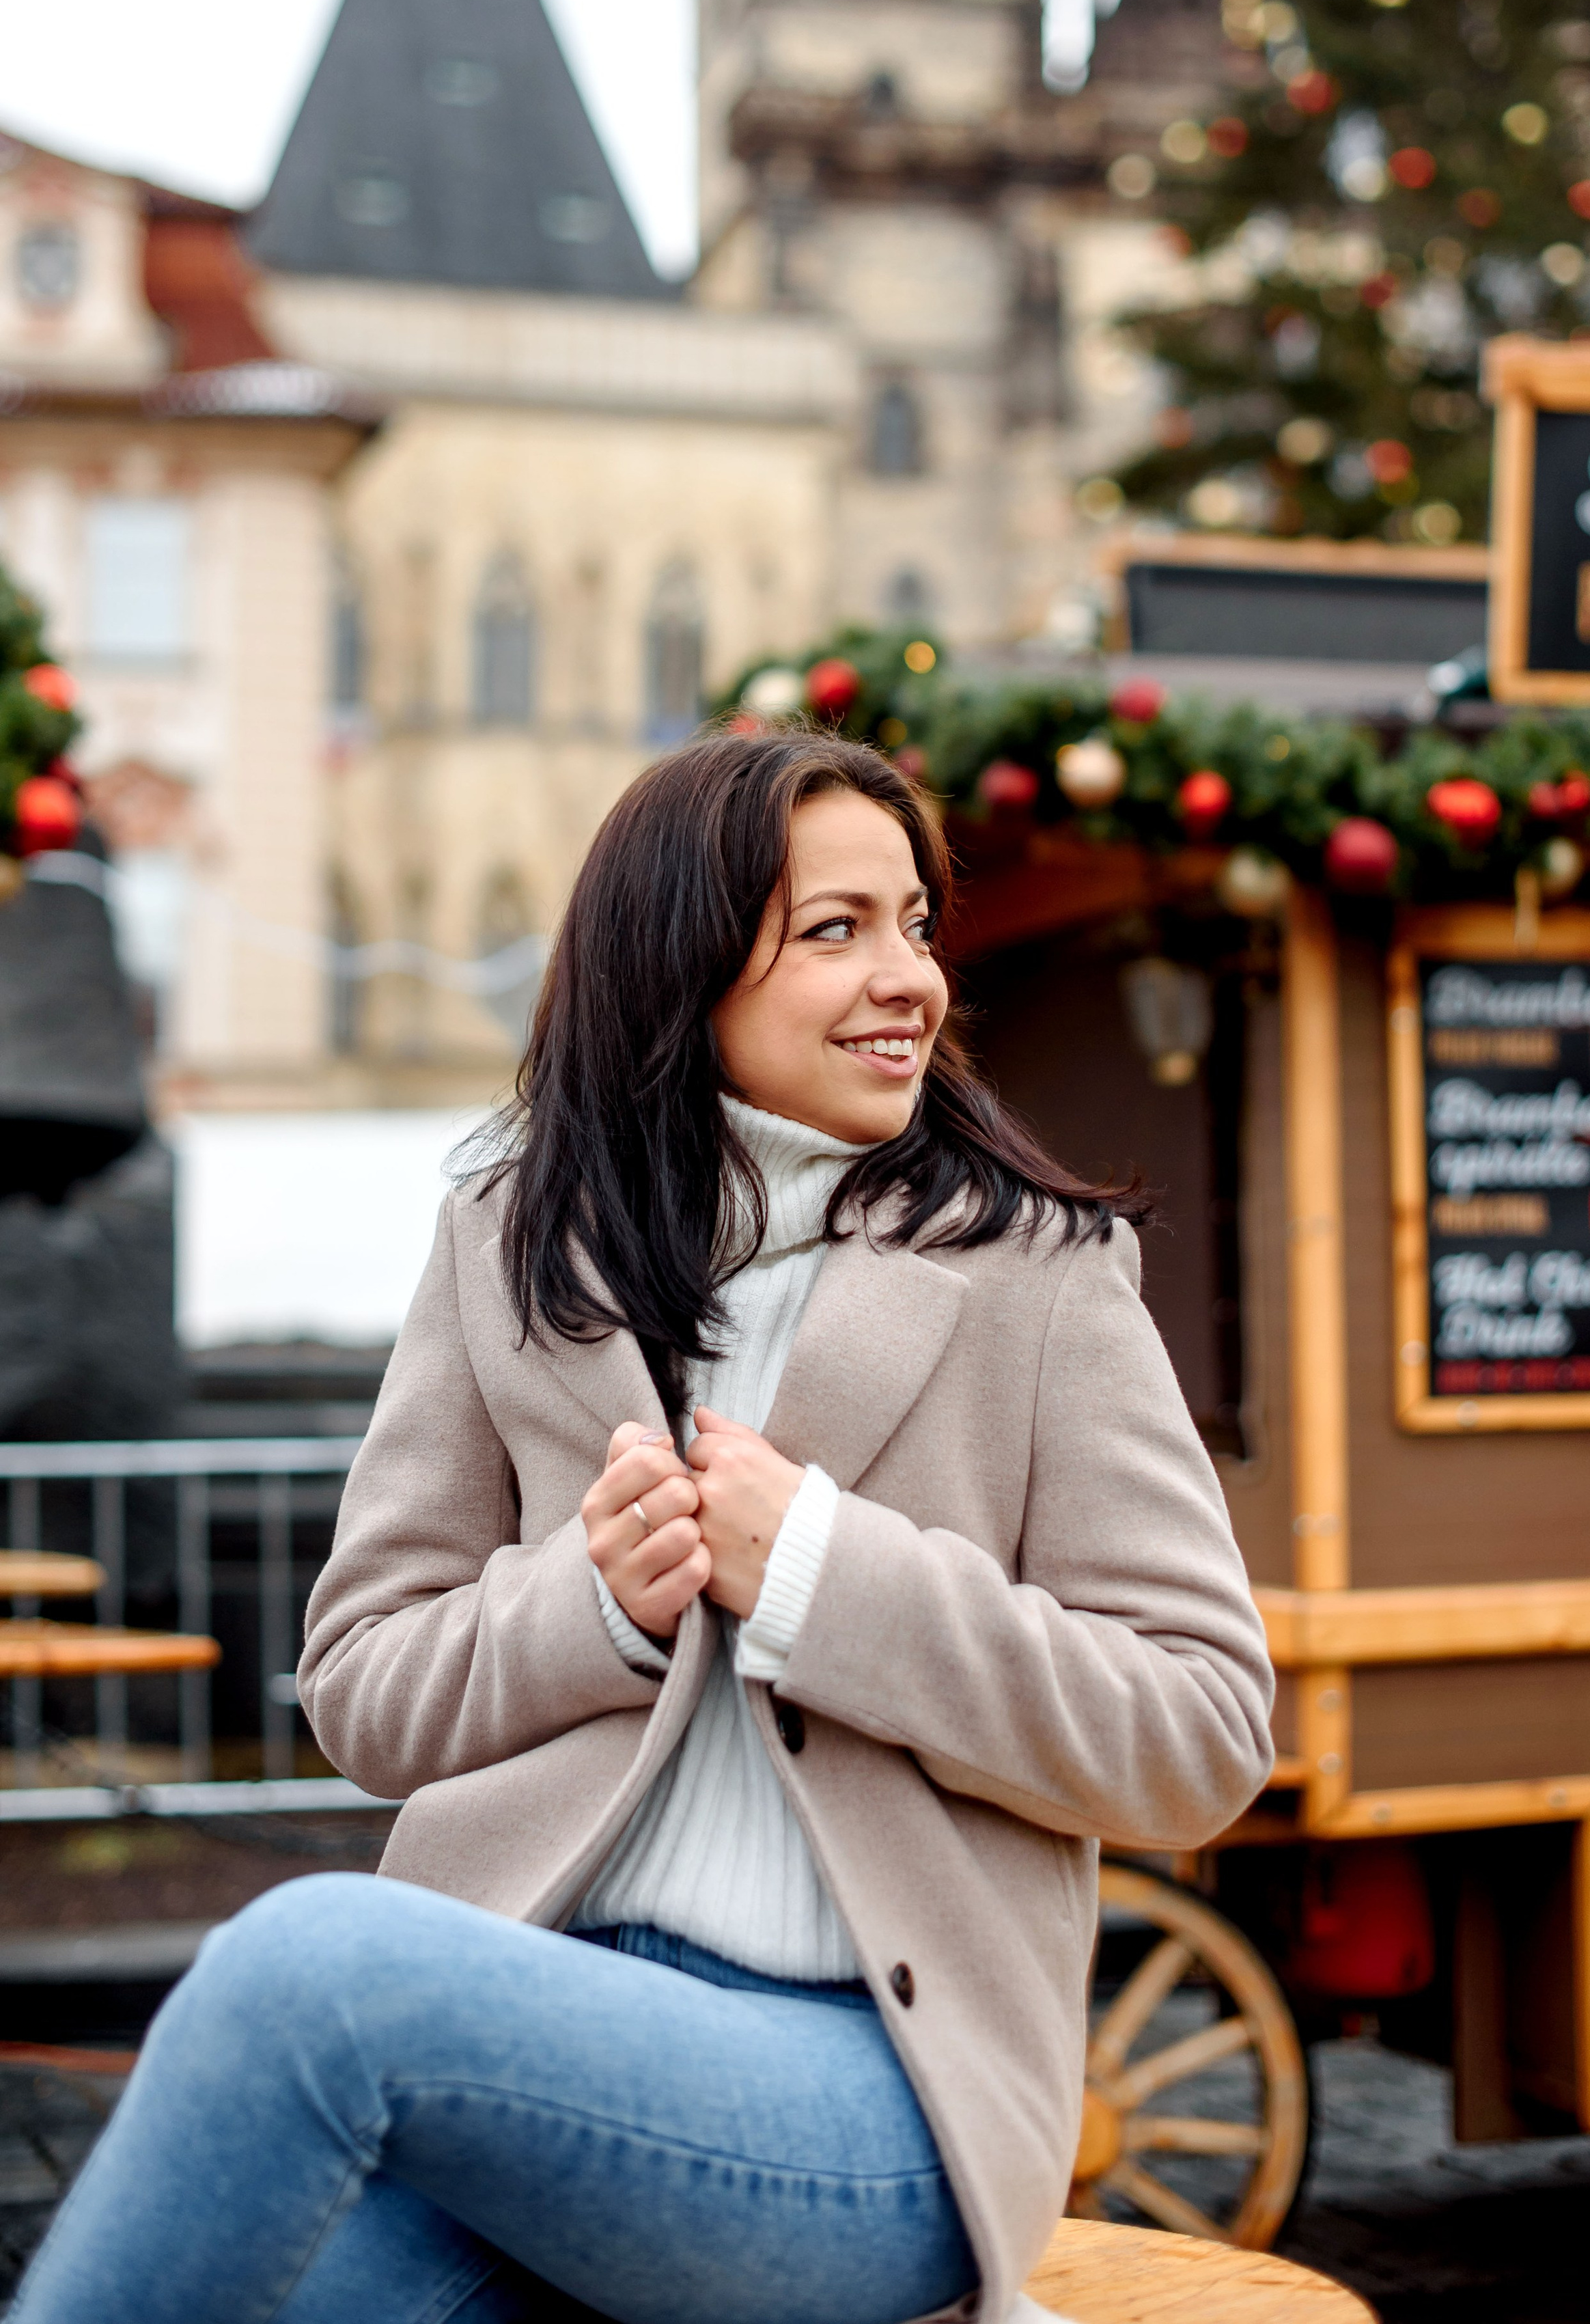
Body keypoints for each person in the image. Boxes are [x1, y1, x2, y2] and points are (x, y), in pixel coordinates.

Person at [15, 730, 1273, 2324]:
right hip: (528, 2027)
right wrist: (590, 1606)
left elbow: (1201, 1734)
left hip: (872, 2099)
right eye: (835, 930)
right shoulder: (507, 1233)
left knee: (306, 1968)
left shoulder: (1038, 1272)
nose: (906, 978)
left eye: (913, 925)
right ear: (681, 968)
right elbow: (358, 1685)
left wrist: (826, 1576)